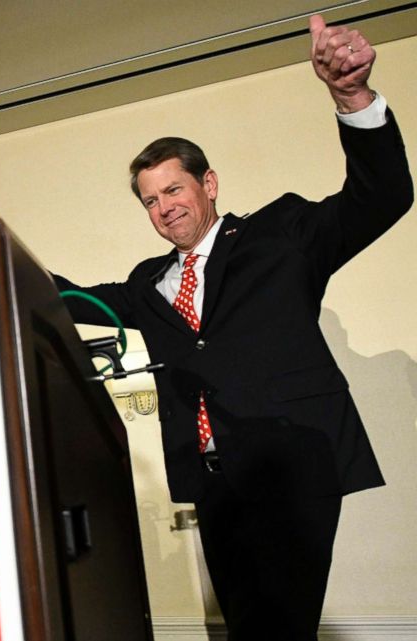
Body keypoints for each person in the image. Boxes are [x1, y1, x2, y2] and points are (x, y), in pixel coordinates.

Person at [52, 15, 413, 641]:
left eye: (174, 190)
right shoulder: (146, 282)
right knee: (248, 626)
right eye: (150, 201)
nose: (165, 208)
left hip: (289, 465)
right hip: (210, 480)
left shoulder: (280, 235)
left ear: (208, 184)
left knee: (280, 626)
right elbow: (81, 300)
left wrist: (352, 98)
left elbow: (379, 197)